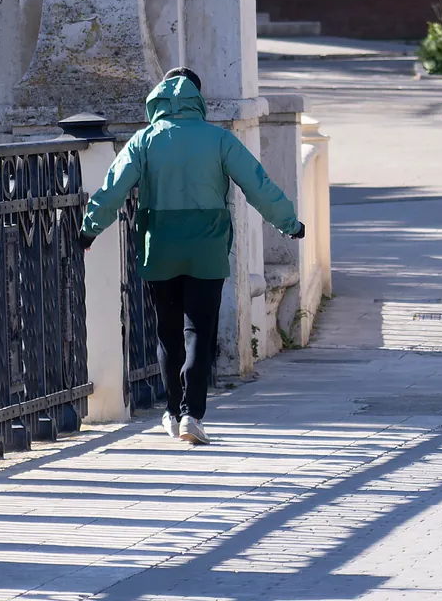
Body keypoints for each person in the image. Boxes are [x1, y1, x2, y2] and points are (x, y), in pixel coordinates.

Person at [78, 67, 305, 446]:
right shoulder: (219, 139)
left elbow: (113, 188)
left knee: (168, 334)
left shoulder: (144, 140)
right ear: (198, 99)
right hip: (206, 248)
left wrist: (89, 229)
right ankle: (192, 415)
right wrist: (289, 224)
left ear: (159, 98)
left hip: (160, 247)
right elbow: (258, 184)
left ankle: (171, 411)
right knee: (200, 330)